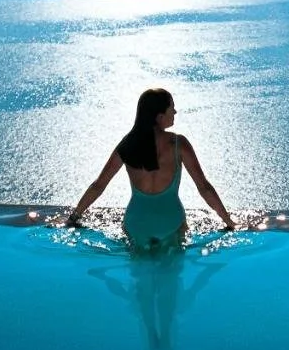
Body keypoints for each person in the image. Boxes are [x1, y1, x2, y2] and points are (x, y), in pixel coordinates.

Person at [65, 89, 235, 246]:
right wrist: (229, 222)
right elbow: (204, 188)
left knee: (137, 275)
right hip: (171, 223)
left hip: (136, 224)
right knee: (173, 276)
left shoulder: (128, 144)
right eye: (172, 108)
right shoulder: (178, 144)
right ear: (159, 116)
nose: (175, 112)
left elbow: (99, 185)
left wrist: (74, 217)